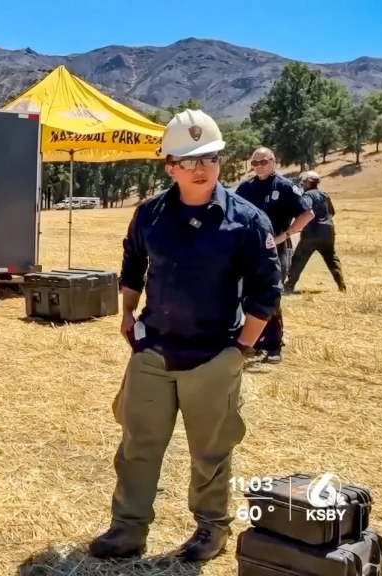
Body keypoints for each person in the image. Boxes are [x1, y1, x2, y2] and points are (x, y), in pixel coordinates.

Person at [90, 109, 282, 562]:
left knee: (211, 454)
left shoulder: (248, 221)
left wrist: (240, 350)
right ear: (169, 166)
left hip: (215, 354)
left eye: (210, 157)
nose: (201, 167)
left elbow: (266, 291)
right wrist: (127, 312)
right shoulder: (150, 214)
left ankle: (211, 531)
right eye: (189, 159)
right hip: (154, 350)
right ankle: (128, 529)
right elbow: (134, 260)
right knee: (137, 446)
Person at [234, 148, 314, 364]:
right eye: (255, 162)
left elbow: (307, 214)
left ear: (274, 162)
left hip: (276, 250)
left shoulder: (284, 186)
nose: (259, 165)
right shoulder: (245, 188)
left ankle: (273, 346)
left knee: (269, 296)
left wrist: (284, 235)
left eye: (264, 161)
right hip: (249, 251)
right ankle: (254, 342)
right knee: (248, 296)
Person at [285, 171, 346, 293]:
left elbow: (305, 213)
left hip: (312, 232)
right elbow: (332, 212)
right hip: (328, 232)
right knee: (332, 259)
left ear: (307, 182)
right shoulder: (324, 195)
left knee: (299, 259)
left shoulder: (307, 196)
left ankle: (289, 286)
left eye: (303, 182)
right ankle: (341, 286)